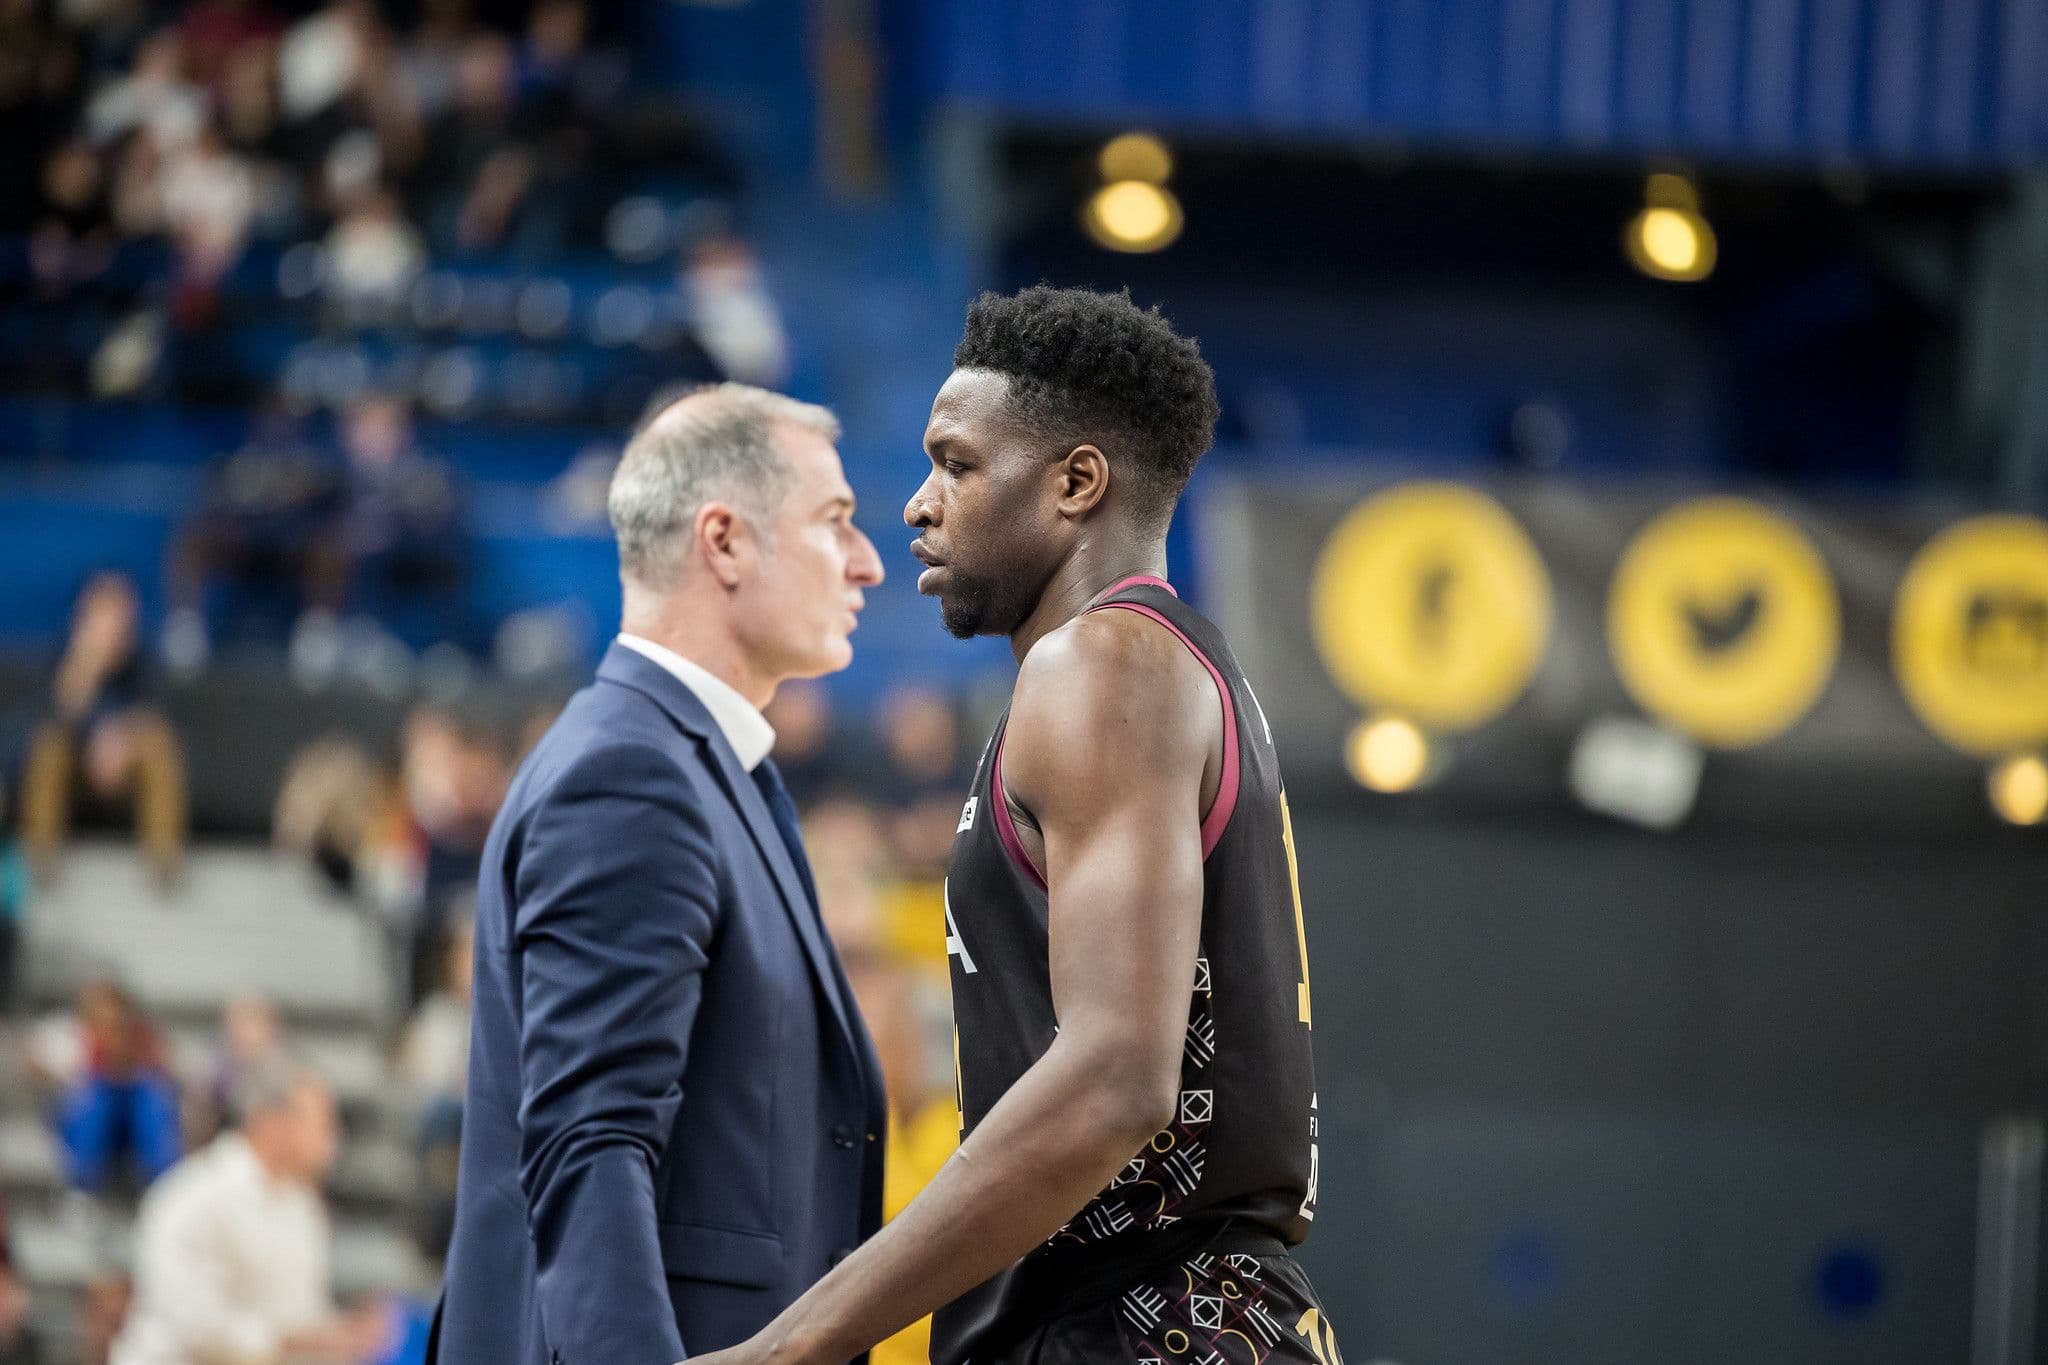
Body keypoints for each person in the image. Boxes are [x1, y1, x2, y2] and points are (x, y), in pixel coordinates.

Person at [693, 287, 1332, 1365]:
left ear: (1076, 483)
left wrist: (790, 1346)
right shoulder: (1176, 669)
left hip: (1142, 1325)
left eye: (955, 463)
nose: (916, 503)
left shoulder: (1100, 666)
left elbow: (1115, 1079)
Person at [431, 383, 889, 1365]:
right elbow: (587, 1148)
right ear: (722, 541)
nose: (868, 562)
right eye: (835, 522)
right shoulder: (628, 775)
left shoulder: (708, 769)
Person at [113, 1059, 388, 1365]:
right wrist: (301, 1340)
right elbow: (193, 1326)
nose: (333, 1138)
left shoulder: (301, 1204)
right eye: (322, 1122)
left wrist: (347, 1335)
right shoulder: (191, 1197)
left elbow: (301, 1316)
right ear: (270, 1121)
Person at [19, 574, 187, 888]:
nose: (114, 622)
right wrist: (86, 664)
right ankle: (39, 861)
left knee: (156, 744)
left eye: (121, 611)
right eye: (104, 611)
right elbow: (47, 720)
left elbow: (160, 718)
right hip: (76, 773)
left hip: (128, 772)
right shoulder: (61, 660)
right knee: (50, 746)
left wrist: (118, 741)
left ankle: (164, 864)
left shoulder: (145, 663)